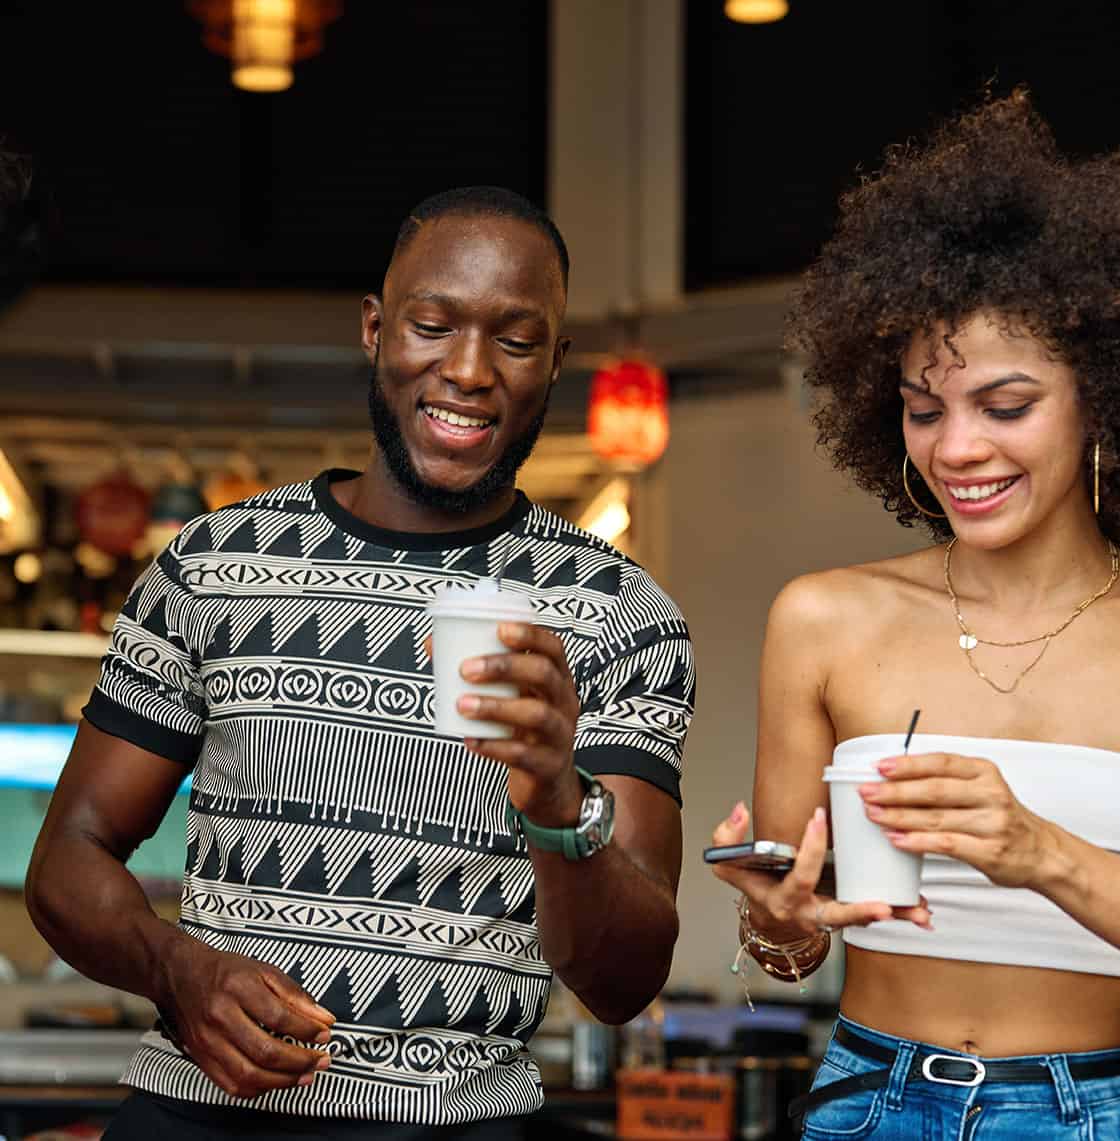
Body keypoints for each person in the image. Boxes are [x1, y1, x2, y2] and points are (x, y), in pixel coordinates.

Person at [710, 92, 1120, 1139]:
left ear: (1105, 395)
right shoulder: (823, 620)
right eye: (925, 410)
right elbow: (792, 944)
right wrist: (775, 922)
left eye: (1005, 406)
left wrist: (1041, 854)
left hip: (1108, 1109)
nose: (957, 448)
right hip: (864, 1101)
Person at [26, 187, 694, 1140]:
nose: (467, 370)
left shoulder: (623, 615)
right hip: (200, 1114)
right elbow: (67, 857)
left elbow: (624, 981)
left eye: (514, 338)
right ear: (377, 330)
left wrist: (557, 800)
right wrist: (177, 970)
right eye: (432, 325)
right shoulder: (213, 565)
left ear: (554, 362)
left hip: (460, 1125)